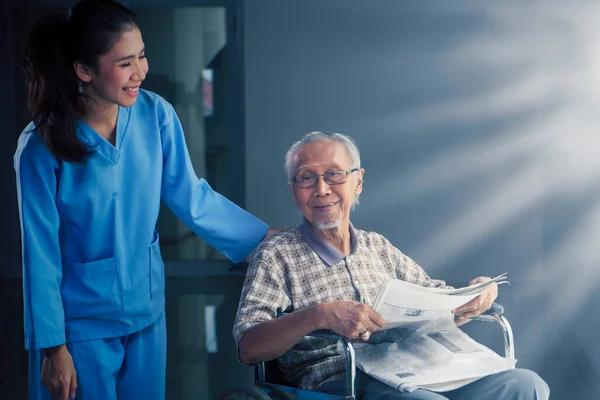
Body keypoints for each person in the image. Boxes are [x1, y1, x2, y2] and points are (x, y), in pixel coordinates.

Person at [14, 1, 277, 399]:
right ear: (83, 70)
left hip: (146, 310)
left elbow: (191, 195)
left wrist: (265, 240)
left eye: (142, 55)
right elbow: (40, 254)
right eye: (125, 62)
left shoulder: (157, 115)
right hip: (79, 327)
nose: (141, 71)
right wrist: (53, 348)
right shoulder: (40, 148)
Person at [233, 131, 550, 399]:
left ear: (358, 181)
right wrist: (319, 316)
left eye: (334, 174)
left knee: (524, 385)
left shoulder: (378, 247)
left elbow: (437, 299)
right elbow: (249, 347)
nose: (321, 189)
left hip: (420, 366)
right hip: (344, 380)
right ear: (294, 192)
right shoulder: (276, 255)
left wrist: (476, 294)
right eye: (306, 178)